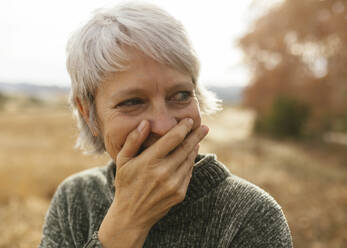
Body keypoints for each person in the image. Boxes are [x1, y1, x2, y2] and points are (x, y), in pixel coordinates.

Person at [39, 2, 293, 247]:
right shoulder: (75, 199)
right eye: (133, 101)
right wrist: (125, 225)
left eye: (181, 95)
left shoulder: (251, 215)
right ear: (88, 113)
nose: (164, 125)